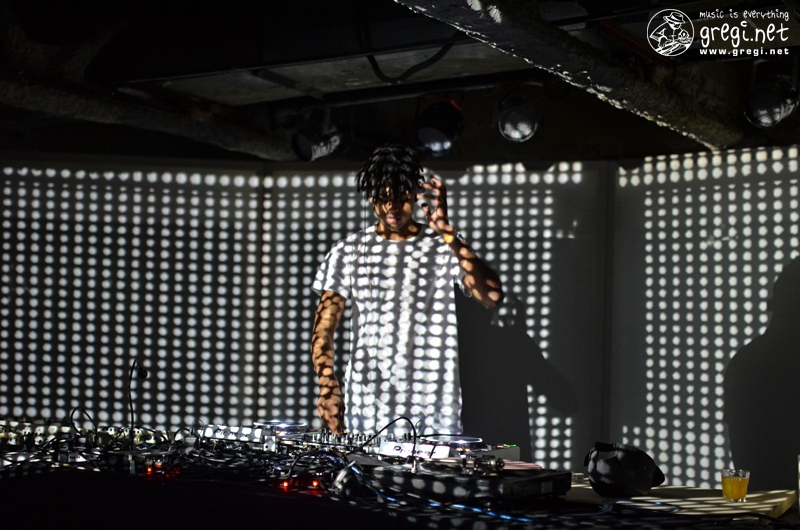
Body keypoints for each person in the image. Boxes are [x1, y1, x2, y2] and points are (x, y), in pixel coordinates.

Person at [310, 144, 504, 435]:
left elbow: (492, 297)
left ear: (415, 194)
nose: (392, 207)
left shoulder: (443, 245)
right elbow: (324, 328)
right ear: (372, 196)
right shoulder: (348, 251)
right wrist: (328, 385)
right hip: (369, 408)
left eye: (401, 198)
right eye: (383, 198)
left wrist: (448, 233)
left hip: (434, 410)